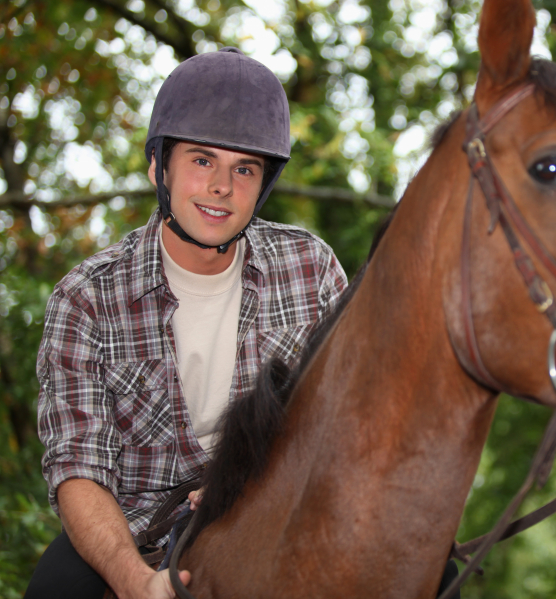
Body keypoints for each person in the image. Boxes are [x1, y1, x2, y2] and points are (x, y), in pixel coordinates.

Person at [25, 48, 347, 599]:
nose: (222, 186)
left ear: (263, 184)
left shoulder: (310, 267)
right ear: (159, 166)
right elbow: (78, 468)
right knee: (55, 589)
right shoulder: (87, 297)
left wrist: (256, 481)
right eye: (202, 160)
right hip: (139, 522)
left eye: (243, 168)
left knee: (437, 574)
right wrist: (132, 580)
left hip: (282, 500)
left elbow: (347, 414)